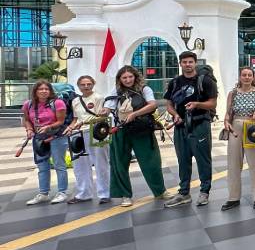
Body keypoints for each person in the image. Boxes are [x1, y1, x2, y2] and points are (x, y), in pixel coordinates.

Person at [100, 66, 167, 207]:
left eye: (130, 77)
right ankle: (125, 195)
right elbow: (109, 107)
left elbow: (153, 105)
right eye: (124, 78)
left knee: (151, 162)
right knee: (119, 163)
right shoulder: (116, 91)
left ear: (135, 76)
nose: (128, 80)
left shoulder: (144, 89)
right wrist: (104, 110)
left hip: (141, 129)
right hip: (121, 130)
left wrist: (135, 114)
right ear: (120, 79)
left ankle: (160, 191)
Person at [163, 51, 218, 208]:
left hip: (200, 124)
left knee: (203, 160)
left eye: (190, 62)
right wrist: (174, 115)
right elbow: (169, 104)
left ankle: (204, 192)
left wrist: (197, 104)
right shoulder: (175, 82)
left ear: (195, 63)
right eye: (184, 62)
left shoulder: (205, 81)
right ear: (180, 64)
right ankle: (184, 193)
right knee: (183, 160)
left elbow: (212, 103)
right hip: (180, 126)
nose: (187, 65)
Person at [221, 66, 255, 211]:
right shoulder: (233, 93)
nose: (247, 77)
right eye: (244, 75)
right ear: (240, 77)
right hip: (235, 126)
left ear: (253, 77)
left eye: (249, 75)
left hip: (253, 126)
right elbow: (228, 111)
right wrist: (226, 121)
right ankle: (233, 197)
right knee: (233, 163)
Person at [21, 80, 69, 205]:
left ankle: (62, 192)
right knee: (42, 166)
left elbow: (61, 121)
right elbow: (26, 120)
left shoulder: (58, 103)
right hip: (39, 138)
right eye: (40, 89)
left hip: (57, 137)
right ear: (35, 91)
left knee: (59, 165)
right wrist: (29, 129)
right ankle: (43, 193)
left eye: (46, 89)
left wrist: (48, 127)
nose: (43, 91)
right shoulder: (28, 104)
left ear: (50, 91)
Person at [66, 75, 111, 205]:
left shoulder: (98, 98)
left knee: (101, 164)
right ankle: (83, 193)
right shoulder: (75, 101)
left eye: (89, 84)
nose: (86, 87)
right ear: (78, 86)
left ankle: (105, 193)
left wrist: (84, 122)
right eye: (83, 84)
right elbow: (75, 119)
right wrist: (70, 127)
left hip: (96, 133)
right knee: (80, 165)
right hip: (79, 134)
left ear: (93, 84)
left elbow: (101, 116)